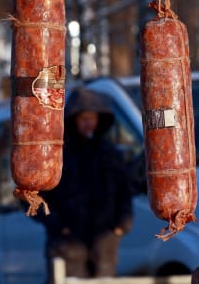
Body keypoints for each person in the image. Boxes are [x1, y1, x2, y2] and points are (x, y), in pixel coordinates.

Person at [39, 87, 134, 280]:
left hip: (104, 242)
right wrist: (57, 223)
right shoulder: (56, 155)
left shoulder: (110, 154)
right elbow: (33, 196)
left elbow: (125, 191)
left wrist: (122, 224)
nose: (88, 123)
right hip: (67, 243)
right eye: (83, 118)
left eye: (92, 117)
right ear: (73, 120)